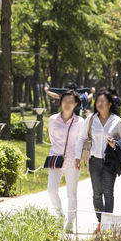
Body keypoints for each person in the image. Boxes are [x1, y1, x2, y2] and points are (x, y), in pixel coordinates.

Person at [86, 89, 121, 232]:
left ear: (110, 103)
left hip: (110, 161)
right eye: (98, 101)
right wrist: (78, 157)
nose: (100, 103)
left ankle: (107, 224)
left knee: (108, 192)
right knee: (97, 193)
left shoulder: (117, 121)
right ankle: (101, 221)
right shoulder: (91, 119)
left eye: (103, 101)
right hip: (94, 160)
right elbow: (81, 138)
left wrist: (115, 144)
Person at [44, 89, 86, 232]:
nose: (67, 104)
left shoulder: (81, 122)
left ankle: (70, 222)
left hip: (73, 160)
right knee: (51, 190)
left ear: (75, 104)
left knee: (71, 193)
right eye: (65, 101)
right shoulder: (53, 119)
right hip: (56, 158)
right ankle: (60, 215)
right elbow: (52, 137)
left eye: (70, 101)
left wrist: (79, 157)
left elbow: (82, 141)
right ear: (60, 102)